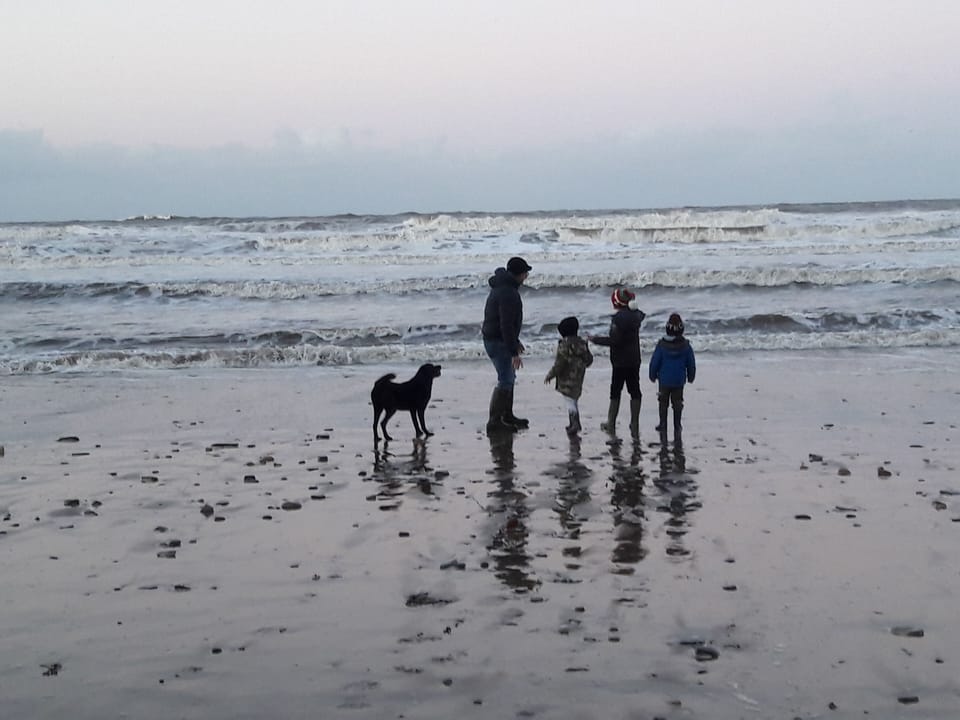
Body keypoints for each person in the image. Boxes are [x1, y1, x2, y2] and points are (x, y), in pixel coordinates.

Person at [482, 256, 532, 433]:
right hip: (497, 341)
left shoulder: (504, 287)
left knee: (509, 377)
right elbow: (505, 324)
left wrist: (515, 342)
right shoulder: (508, 293)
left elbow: (506, 323)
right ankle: (495, 422)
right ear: (519, 274)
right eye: (525, 273)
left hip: (496, 338)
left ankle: (507, 416)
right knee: (505, 379)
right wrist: (513, 352)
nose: (526, 276)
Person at [589, 287, 646, 435]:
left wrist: (594, 339)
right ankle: (635, 423)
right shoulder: (636, 315)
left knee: (615, 391)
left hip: (620, 362)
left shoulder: (618, 320)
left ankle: (611, 422)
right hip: (634, 360)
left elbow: (615, 341)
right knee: (635, 390)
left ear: (616, 303)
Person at [648, 313, 696, 438]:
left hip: (664, 379)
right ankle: (677, 424)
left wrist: (652, 375)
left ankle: (663, 423)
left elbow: (655, 361)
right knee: (678, 403)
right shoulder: (686, 346)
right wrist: (691, 377)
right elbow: (691, 363)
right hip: (679, 380)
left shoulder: (662, 345)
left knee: (663, 402)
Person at [544, 316, 593, 435]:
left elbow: (559, 364)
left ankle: (574, 423)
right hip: (579, 376)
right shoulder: (582, 344)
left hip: (566, 378)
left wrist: (550, 375)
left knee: (569, 401)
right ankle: (575, 423)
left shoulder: (564, 345)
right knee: (574, 398)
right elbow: (589, 360)